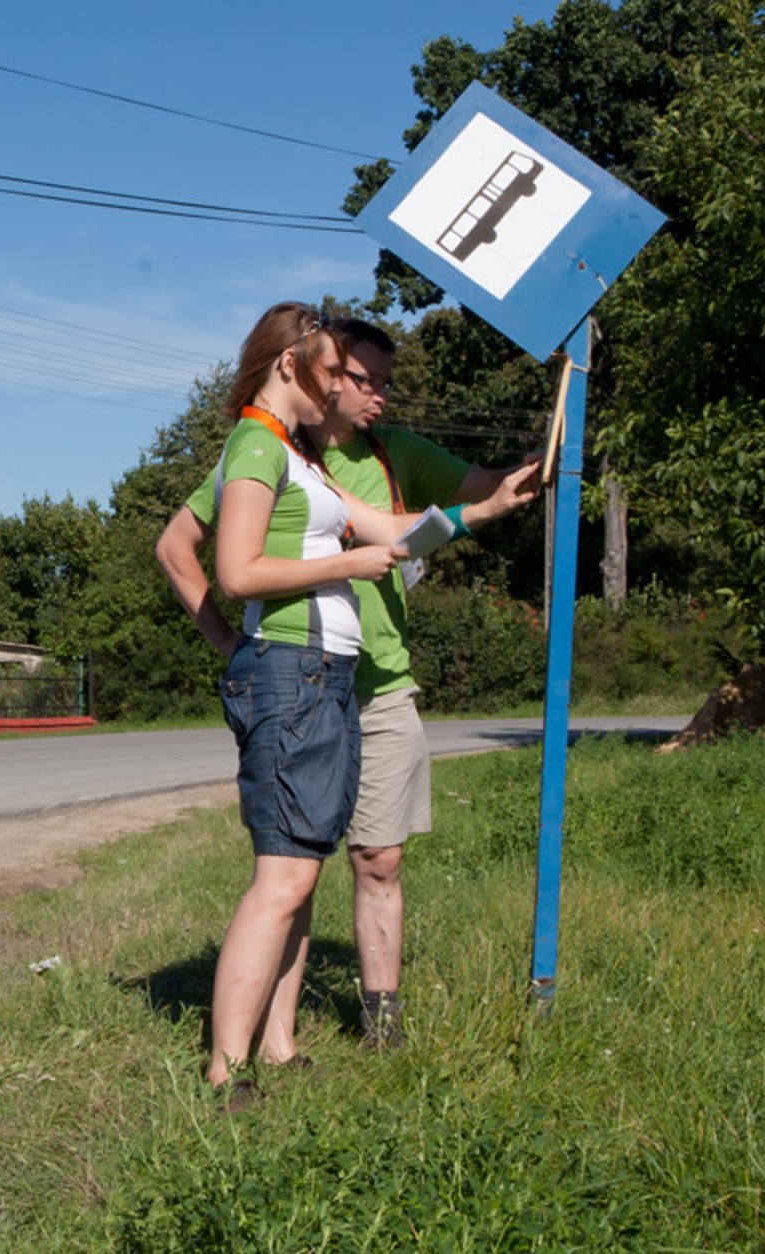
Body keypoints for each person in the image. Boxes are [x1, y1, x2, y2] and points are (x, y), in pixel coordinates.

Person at [159, 316, 539, 1057]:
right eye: (346, 374)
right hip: (297, 676)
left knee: (329, 868)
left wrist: (490, 505)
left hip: (345, 678)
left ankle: (309, 1039)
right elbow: (218, 563)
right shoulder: (261, 448)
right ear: (297, 368)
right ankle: (235, 1064)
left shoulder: (337, 460)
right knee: (289, 877)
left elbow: (396, 534)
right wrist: (239, 640)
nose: (360, 391)